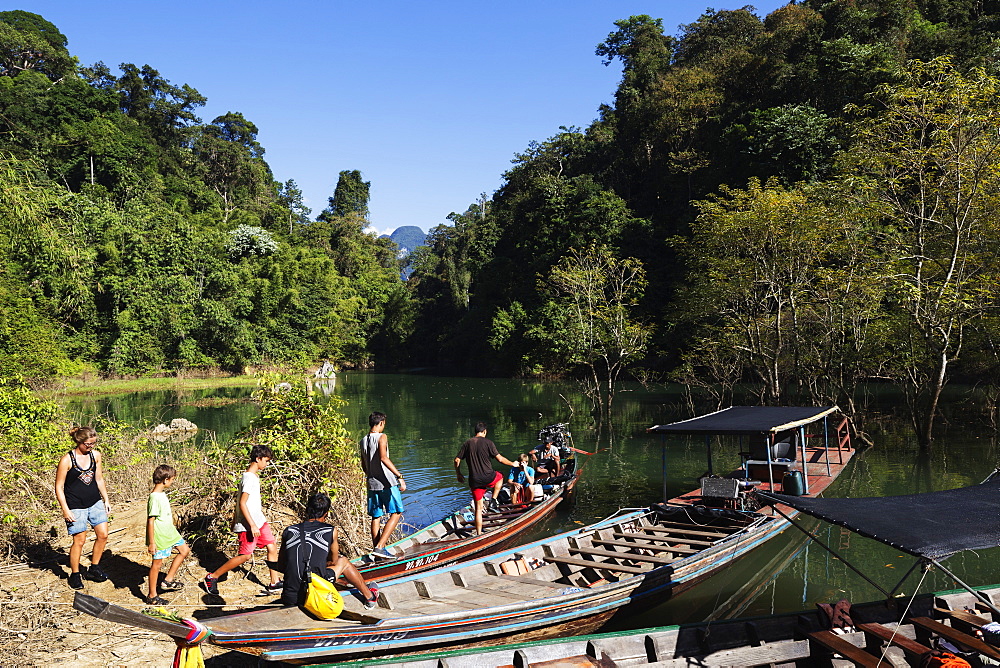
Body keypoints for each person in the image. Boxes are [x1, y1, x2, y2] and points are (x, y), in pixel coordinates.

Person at [202, 444, 282, 597]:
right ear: (258, 459)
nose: (267, 464)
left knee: (271, 547)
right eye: (266, 460)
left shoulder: (253, 476)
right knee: (245, 556)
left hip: (259, 521)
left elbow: (239, 501)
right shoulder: (249, 478)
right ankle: (212, 577)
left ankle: (274, 582)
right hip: (249, 524)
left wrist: (235, 519)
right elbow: (242, 502)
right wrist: (250, 524)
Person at [276, 492, 379, 609]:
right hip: (315, 592)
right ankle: (370, 597)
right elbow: (334, 561)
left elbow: (281, 565)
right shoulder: (330, 530)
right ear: (326, 514)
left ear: (307, 510)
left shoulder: (289, 530)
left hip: (289, 596)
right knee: (343, 561)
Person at [54, 426, 111, 590]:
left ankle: (94, 567)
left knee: (103, 535)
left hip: (95, 502)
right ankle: (75, 574)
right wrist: (65, 509)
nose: (91, 446)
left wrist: (106, 500)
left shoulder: (96, 456)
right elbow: (59, 487)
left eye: (93, 443)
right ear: (79, 442)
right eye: (88, 444)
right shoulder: (67, 460)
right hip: (75, 506)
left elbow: (99, 479)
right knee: (79, 541)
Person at [454, 421, 515, 535]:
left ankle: (478, 533)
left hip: (474, 481)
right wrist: (513, 464)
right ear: (484, 431)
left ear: (475, 432)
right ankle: (493, 500)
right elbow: (500, 459)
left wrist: (458, 474)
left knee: (478, 509)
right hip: (488, 477)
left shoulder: (467, 443)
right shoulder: (488, 442)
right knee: (500, 476)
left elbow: (457, 460)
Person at [359, 411, 406, 559]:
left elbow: (363, 465)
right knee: (397, 512)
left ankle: (376, 551)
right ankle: (380, 547)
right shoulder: (382, 437)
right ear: (381, 423)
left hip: (371, 483)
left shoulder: (363, 440)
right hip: (386, 482)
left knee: (376, 516)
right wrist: (399, 476)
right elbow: (384, 458)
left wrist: (371, 475)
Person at [146, 464, 191, 604]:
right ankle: (152, 596)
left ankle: (167, 581)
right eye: (172, 480)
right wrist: (152, 542)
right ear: (165, 480)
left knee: (184, 550)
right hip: (160, 537)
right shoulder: (154, 497)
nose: (172, 482)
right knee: (157, 564)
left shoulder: (161, 494)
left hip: (170, 532)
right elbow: (151, 520)